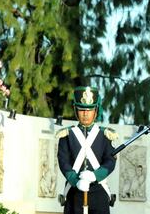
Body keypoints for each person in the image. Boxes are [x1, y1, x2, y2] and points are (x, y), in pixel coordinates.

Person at [57, 86, 118, 214]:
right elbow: (63, 161)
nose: (85, 113)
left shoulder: (105, 135)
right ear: (75, 110)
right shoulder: (67, 135)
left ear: (96, 111)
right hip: (74, 193)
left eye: (89, 110)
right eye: (81, 109)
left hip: (98, 192)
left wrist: (95, 175)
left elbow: (110, 161)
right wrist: (75, 180)